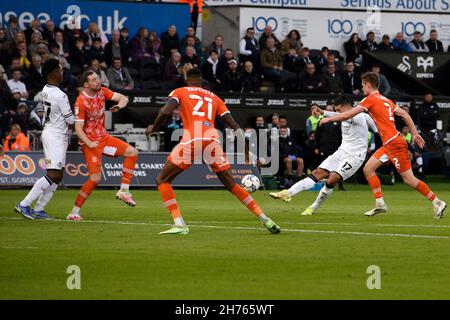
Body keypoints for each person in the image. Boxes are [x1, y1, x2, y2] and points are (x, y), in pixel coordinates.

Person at [145, 68, 281, 235]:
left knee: (162, 180)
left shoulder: (180, 91)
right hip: (212, 139)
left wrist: (154, 127)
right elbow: (235, 127)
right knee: (231, 185)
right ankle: (265, 219)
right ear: (202, 81)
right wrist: (246, 153)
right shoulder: (214, 98)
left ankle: (179, 224)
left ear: (187, 79)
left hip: (192, 139)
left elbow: (165, 111)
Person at [319, 72, 447, 218]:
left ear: (368, 85)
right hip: (390, 143)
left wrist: (327, 119)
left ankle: (437, 202)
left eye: (362, 85)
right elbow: (405, 115)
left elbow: (348, 114)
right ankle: (380, 204)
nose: (362, 89)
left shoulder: (370, 99)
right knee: (368, 169)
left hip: (394, 144)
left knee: (409, 180)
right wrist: (415, 133)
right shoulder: (386, 100)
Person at [270, 96, 378, 215]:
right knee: (317, 173)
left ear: (344, 107)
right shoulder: (348, 114)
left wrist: (327, 117)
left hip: (355, 156)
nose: (337, 113)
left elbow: (367, 125)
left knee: (332, 179)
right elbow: (344, 116)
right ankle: (287, 193)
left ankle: (314, 207)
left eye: (338, 110)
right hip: (342, 151)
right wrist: (323, 112)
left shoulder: (357, 115)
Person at [67, 71, 139, 221]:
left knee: (132, 152)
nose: (98, 82)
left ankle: (123, 191)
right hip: (90, 143)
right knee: (95, 179)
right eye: (94, 80)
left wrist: (119, 106)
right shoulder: (80, 102)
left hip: (104, 139)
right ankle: (74, 212)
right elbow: (78, 129)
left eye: (98, 78)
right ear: (86, 85)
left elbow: (123, 98)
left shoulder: (102, 92)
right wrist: (89, 143)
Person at [14, 59, 74, 220]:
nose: (62, 73)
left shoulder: (46, 89)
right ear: (52, 73)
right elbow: (71, 120)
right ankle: (24, 204)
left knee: (58, 175)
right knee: (53, 174)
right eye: (60, 70)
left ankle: (39, 209)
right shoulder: (60, 95)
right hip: (55, 135)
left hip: (53, 133)